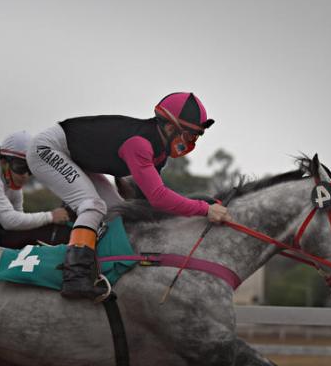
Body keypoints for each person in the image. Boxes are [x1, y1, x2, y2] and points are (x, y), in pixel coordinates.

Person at [27, 92, 230, 299]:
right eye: (190, 135)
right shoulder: (140, 144)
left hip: (76, 157)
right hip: (48, 149)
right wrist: (204, 208)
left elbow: (147, 203)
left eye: (197, 136)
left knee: (118, 212)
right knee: (93, 205)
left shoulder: (159, 151)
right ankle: (75, 276)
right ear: (170, 128)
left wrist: (201, 203)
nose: (193, 142)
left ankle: (102, 263)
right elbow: (158, 197)